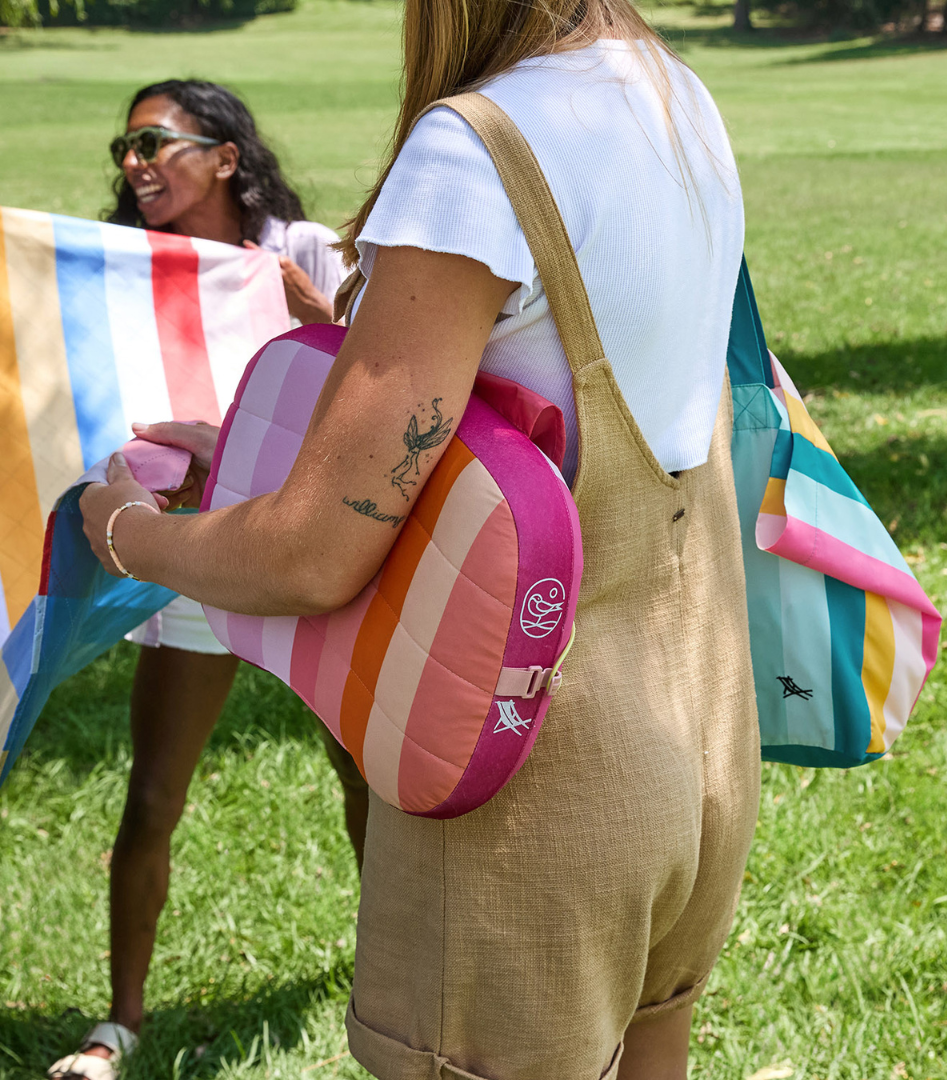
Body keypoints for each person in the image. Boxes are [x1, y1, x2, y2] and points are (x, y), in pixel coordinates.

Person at [79, 3, 762, 1077]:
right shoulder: (675, 94)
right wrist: (266, 458)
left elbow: (312, 555)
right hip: (697, 738)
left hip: (522, 773)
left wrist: (126, 534)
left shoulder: (477, 149)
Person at [48, 81, 362, 1080]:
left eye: (156, 142)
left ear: (227, 156)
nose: (134, 163)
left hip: (311, 556)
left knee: (366, 783)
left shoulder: (308, 251)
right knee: (151, 798)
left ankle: (394, 980)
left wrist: (311, 309)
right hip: (191, 560)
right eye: (124, 146)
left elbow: (390, 385)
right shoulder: (124, 273)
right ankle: (119, 1027)